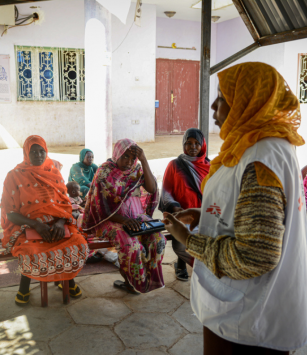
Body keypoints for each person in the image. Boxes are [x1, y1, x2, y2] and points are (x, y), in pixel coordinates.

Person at [163, 62, 307, 354]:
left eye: (224, 97)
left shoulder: (260, 158)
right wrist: (206, 215)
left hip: (248, 318)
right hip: (244, 311)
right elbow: (254, 214)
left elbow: (255, 256)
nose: (214, 106)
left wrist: (189, 240)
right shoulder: (260, 146)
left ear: (250, 99)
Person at [1, 135, 88, 305]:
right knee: (30, 252)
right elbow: (10, 213)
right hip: (27, 225)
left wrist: (60, 223)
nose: (38, 155)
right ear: (26, 153)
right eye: (33, 152)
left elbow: (65, 204)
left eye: (42, 151)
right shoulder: (14, 176)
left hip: (56, 224)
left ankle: (69, 281)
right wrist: (36, 225)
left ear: (46, 151)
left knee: (78, 244)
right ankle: (24, 287)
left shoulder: (53, 173)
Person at [82, 138, 166, 294]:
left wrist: (144, 160)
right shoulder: (105, 172)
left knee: (158, 239)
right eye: (125, 156)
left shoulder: (137, 170)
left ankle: (150, 278)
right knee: (131, 245)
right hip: (110, 220)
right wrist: (125, 221)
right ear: (117, 154)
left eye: (133, 157)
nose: (129, 161)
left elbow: (152, 188)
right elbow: (100, 207)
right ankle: (135, 283)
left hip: (136, 217)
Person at [159, 128, 210, 281]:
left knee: (204, 243)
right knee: (181, 246)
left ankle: (205, 269)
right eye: (188, 143)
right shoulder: (175, 165)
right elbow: (166, 191)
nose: (192, 147)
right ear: (183, 145)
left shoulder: (210, 166)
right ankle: (204, 269)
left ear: (203, 145)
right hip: (181, 215)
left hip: (203, 215)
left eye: (196, 143)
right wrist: (175, 208)